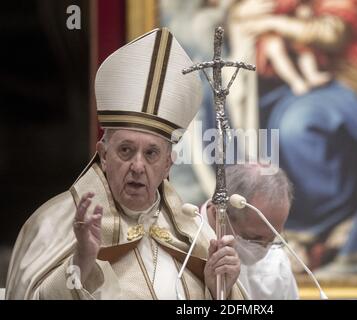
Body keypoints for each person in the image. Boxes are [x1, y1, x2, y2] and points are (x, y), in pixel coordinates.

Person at [6, 28, 246, 300]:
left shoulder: (192, 232)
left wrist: (218, 291)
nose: (137, 166)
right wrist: (80, 264)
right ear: (103, 155)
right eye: (125, 150)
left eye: (151, 154)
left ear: (168, 164)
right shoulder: (53, 223)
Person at [234, 0, 357, 270]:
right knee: (264, 119)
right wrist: (244, 15)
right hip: (324, 83)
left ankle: (325, 221)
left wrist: (271, 23)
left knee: (299, 125)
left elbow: (332, 33)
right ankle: (302, 224)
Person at [201, 164, 299, 299]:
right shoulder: (182, 249)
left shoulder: (277, 262)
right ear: (218, 214)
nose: (264, 249)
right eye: (254, 237)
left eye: (273, 239)